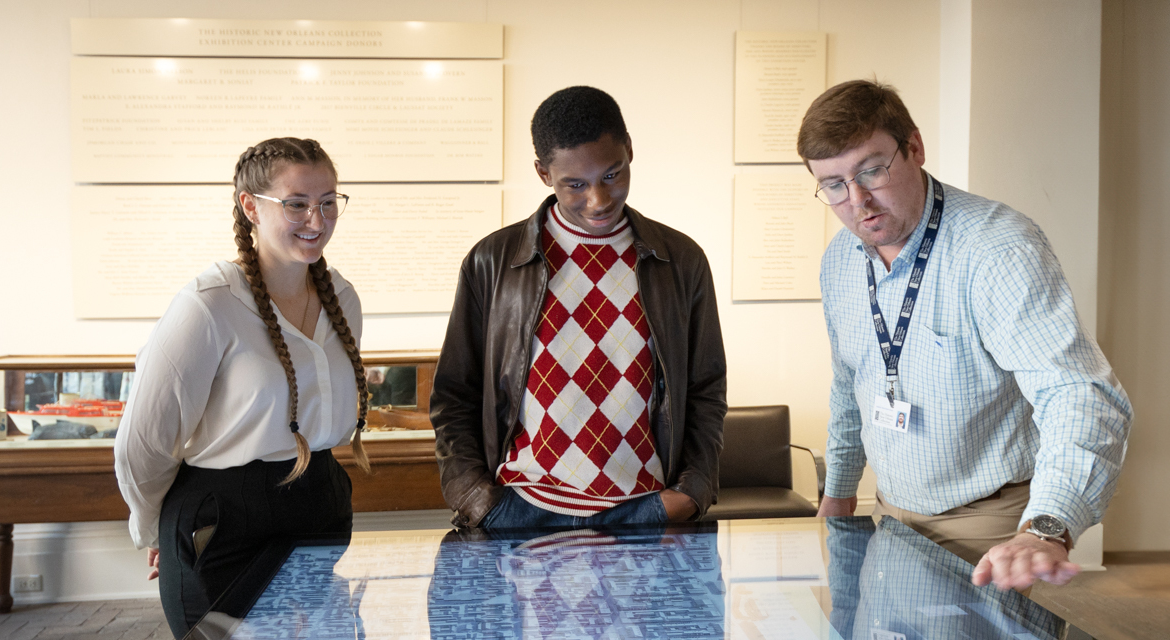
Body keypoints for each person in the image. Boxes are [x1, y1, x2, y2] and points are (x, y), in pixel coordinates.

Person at [799, 80, 1133, 592]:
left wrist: (1046, 529)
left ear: (913, 148)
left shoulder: (997, 249)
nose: (857, 200)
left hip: (993, 531)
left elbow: (1078, 393)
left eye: (871, 170)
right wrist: (840, 494)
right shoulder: (840, 260)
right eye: (835, 185)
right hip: (890, 517)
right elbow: (851, 383)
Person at [430, 86, 727, 530]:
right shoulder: (491, 261)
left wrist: (690, 493)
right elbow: (455, 394)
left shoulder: (680, 260)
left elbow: (706, 390)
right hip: (520, 508)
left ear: (629, 150)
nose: (599, 200)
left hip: (644, 510)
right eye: (576, 184)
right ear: (542, 173)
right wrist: (478, 499)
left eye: (612, 175)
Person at [115, 137, 372, 639]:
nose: (316, 221)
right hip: (223, 523)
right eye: (296, 204)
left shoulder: (342, 296)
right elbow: (142, 443)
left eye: (327, 203)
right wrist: (156, 530)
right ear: (250, 206)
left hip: (319, 507)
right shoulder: (208, 305)